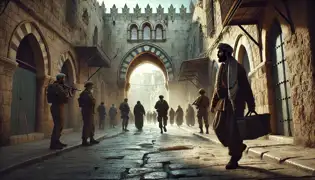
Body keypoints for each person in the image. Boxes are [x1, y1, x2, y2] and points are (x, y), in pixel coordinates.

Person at [211, 43, 255, 169]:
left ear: (226, 53)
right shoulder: (222, 68)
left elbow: (246, 87)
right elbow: (217, 88)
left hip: (235, 104)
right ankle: (238, 147)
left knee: (233, 132)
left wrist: (251, 104)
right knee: (218, 127)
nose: (218, 54)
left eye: (220, 52)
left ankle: (234, 158)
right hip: (223, 104)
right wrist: (213, 104)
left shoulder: (238, 68)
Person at [48, 73, 73, 150]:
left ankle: (57, 141)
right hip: (57, 107)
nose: (64, 80)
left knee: (59, 125)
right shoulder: (57, 86)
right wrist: (67, 91)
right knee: (58, 125)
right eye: (63, 78)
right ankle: (54, 144)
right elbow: (64, 97)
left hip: (58, 106)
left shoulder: (57, 86)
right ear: (61, 79)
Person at [78, 81, 99, 146]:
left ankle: (91, 138)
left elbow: (92, 101)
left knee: (91, 125)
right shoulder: (85, 93)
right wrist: (93, 101)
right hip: (86, 111)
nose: (92, 87)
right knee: (87, 125)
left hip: (90, 111)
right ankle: (84, 140)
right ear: (88, 86)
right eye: (91, 86)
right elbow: (90, 101)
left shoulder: (89, 93)